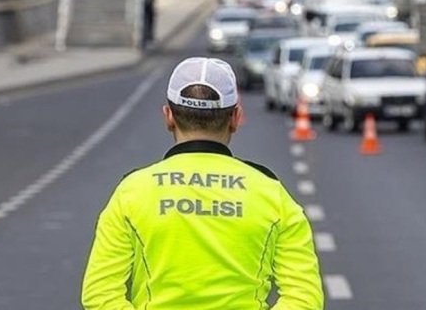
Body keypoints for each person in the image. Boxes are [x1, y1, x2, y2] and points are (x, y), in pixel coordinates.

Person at [82, 57, 324, 310]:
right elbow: (304, 297)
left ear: (168, 117)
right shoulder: (271, 193)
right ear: (235, 118)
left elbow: (99, 294)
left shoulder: (132, 192)